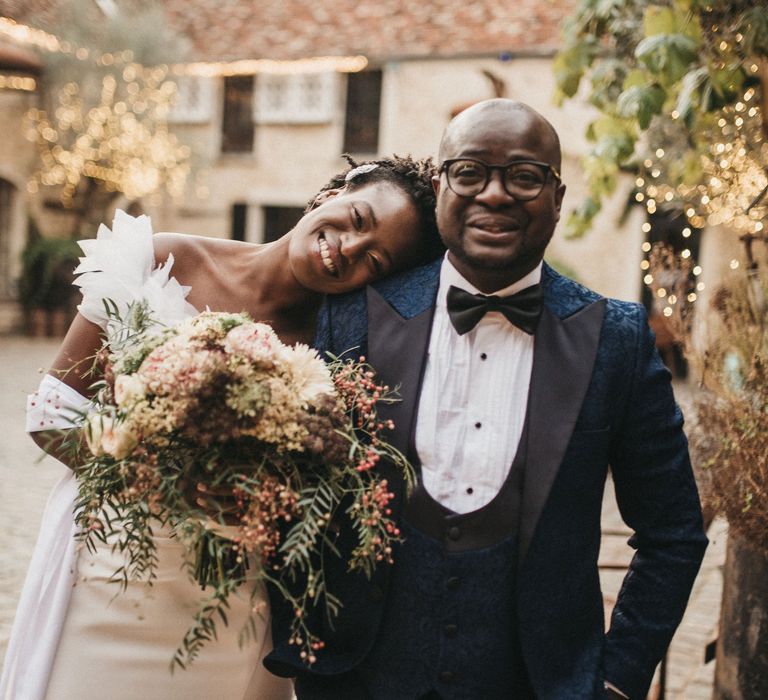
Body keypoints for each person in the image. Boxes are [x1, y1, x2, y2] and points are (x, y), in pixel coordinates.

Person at [264, 100, 709, 699]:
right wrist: (305, 646)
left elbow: (672, 531)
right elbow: (289, 488)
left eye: (524, 177)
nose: (494, 195)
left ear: (557, 197)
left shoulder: (618, 340)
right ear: (442, 187)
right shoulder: (355, 315)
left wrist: (618, 680)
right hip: (357, 683)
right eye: (470, 172)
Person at [0, 155, 443, 700]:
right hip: (106, 570)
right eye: (357, 218)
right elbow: (52, 414)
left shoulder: (344, 348)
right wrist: (158, 470)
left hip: (231, 600)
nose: (348, 248)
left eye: (375, 260)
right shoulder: (162, 258)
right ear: (335, 191)